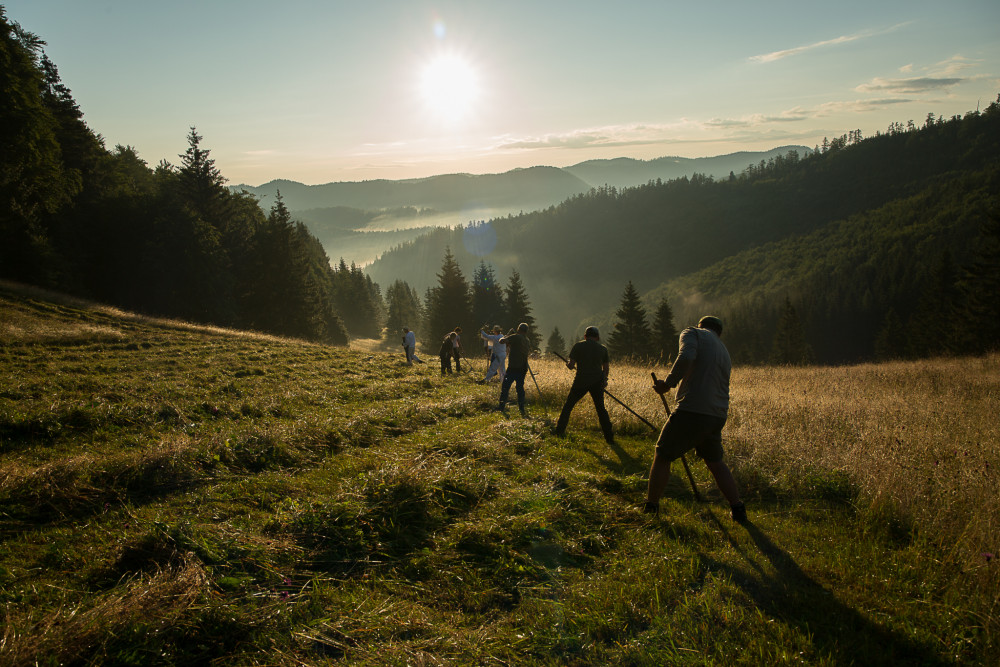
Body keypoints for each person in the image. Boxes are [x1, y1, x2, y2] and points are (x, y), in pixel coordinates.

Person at [644, 316, 746, 522]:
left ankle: (651, 507)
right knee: (715, 462)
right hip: (717, 414)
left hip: (693, 410)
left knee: (663, 454)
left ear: (702, 326)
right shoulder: (724, 351)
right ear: (720, 332)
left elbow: (686, 356)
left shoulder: (693, 333)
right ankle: (738, 508)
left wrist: (668, 384)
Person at [554, 326, 614, 445]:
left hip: (580, 382)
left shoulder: (578, 346)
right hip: (597, 383)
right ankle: (609, 438)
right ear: (597, 337)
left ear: (585, 336)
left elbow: (571, 365)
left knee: (568, 406)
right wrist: (604, 380)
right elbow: (606, 368)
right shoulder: (603, 349)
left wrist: (568, 364)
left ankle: (559, 431)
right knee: (601, 409)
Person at [497, 323, 531, 416]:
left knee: (505, 387)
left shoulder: (516, 337)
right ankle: (521, 408)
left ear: (518, 329)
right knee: (520, 388)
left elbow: (502, 341)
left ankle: (501, 407)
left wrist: (507, 336)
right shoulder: (527, 340)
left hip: (513, 368)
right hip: (523, 368)